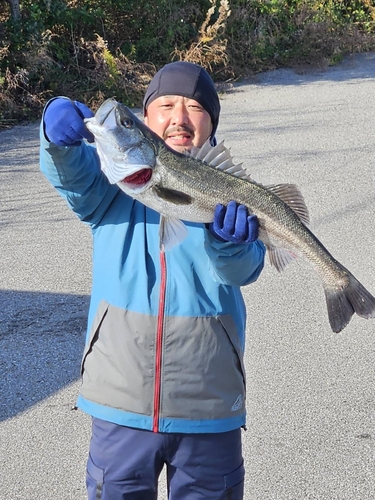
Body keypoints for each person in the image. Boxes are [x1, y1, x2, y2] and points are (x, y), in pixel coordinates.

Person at [40, 61, 266, 500]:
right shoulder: (109, 187)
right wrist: (55, 136)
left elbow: (246, 269)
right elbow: (73, 173)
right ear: (146, 121)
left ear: (211, 123)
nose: (179, 117)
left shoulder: (229, 193)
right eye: (165, 105)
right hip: (119, 403)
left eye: (195, 107)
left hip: (210, 404)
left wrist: (233, 244)